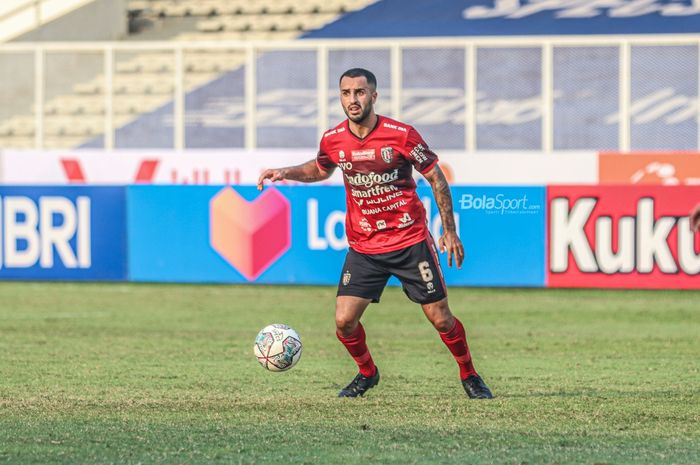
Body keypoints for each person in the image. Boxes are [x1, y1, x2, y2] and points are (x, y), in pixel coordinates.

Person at [257, 68, 492, 399]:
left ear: (374, 96)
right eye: (346, 93)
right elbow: (320, 169)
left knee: (440, 319)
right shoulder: (333, 138)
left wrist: (449, 231)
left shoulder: (402, 134)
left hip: (410, 242)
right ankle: (367, 373)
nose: (353, 99)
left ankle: (469, 375)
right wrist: (286, 172)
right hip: (365, 247)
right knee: (344, 322)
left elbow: (436, 178)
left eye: (360, 92)